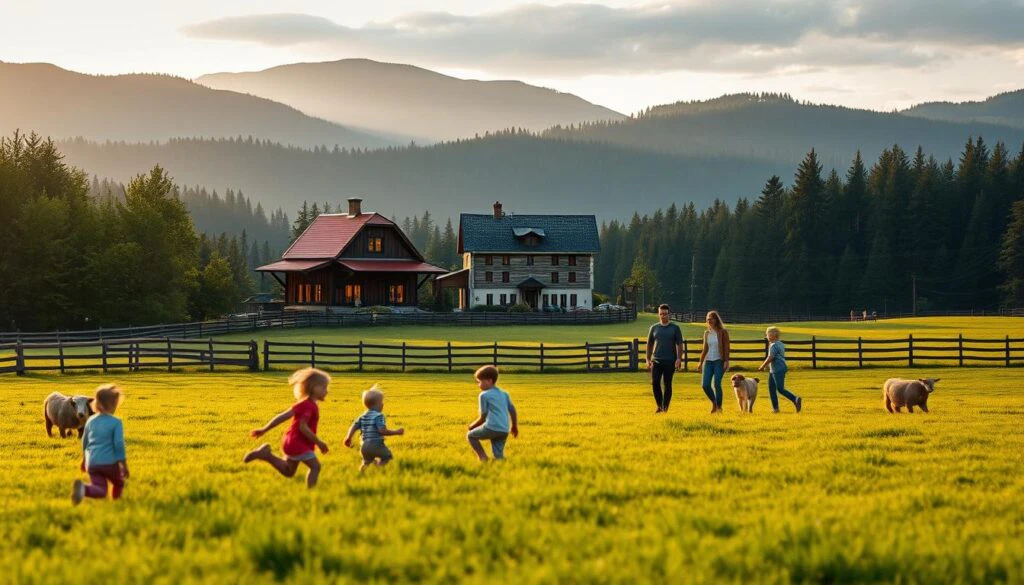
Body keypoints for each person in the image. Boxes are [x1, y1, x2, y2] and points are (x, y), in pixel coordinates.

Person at [244, 368, 330, 488]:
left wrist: (264, 429)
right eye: (324, 387)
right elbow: (303, 427)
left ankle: (266, 455)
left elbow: (281, 416)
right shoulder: (309, 406)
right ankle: (312, 493)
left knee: (289, 471)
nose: (327, 391)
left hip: (290, 441)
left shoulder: (302, 404)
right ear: (313, 387)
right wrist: (319, 442)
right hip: (299, 444)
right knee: (315, 467)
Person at [72, 384, 127, 505]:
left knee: (100, 489)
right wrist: (123, 465)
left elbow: (85, 442)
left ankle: (84, 489)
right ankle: (116, 504)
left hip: (92, 463)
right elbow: (119, 445)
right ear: (112, 405)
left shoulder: (90, 421)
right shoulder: (116, 422)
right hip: (109, 463)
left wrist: (84, 460)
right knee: (118, 483)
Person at [344, 385, 405, 472]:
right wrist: (397, 432)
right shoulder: (379, 416)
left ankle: (361, 474)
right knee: (388, 457)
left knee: (366, 462)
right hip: (375, 444)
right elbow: (382, 431)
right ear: (377, 404)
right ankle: (378, 469)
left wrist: (348, 437)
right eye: (381, 402)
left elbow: (353, 426)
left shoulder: (363, 416)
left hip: (364, 446)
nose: (383, 404)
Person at [466, 365, 518, 461]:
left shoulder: (484, 395)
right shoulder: (504, 393)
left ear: (489, 381)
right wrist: (514, 426)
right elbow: (512, 409)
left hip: (492, 428)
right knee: (498, 455)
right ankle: (502, 466)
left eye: (480, 381)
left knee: (471, 435)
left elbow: (483, 416)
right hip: (504, 430)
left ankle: (483, 458)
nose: (479, 385)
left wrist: (472, 425)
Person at [645, 304, 683, 413]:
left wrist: (679, 358)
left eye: (665, 314)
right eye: (661, 314)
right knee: (655, 382)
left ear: (669, 314)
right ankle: (659, 406)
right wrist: (648, 359)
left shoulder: (675, 328)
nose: (663, 316)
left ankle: (665, 407)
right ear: (658, 314)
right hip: (656, 360)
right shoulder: (654, 328)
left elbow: (679, 344)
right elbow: (649, 344)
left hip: (670, 361)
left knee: (667, 384)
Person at [758, 326, 803, 413]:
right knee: (771, 389)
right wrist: (768, 366)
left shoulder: (773, 345)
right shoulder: (781, 344)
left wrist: (763, 366)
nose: (766, 336)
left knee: (780, 388)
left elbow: (771, 357)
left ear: (771, 335)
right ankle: (775, 408)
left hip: (777, 369)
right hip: (777, 368)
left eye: (767, 334)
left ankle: (795, 399)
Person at [697, 310, 731, 413]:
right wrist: (700, 362)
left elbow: (726, 347)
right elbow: (705, 349)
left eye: (711, 318)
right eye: (708, 318)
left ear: (716, 320)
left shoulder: (723, 332)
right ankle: (714, 403)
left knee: (717, 384)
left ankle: (719, 407)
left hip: (719, 361)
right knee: (705, 385)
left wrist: (726, 361)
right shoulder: (706, 333)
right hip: (708, 361)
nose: (709, 320)